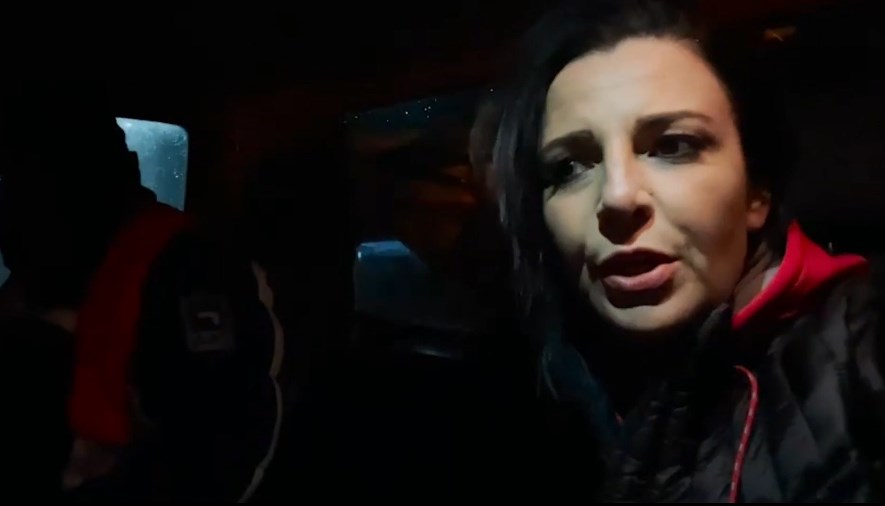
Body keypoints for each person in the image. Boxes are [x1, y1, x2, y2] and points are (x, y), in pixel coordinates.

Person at [489, 0, 885, 501]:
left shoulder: (865, 348)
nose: (617, 197)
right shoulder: (551, 393)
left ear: (756, 192)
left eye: (673, 146)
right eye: (569, 167)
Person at [0, 80, 282, 501]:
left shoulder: (190, 268)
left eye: (22, 181)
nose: (10, 206)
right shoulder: (56, 268)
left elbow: (221, 444)